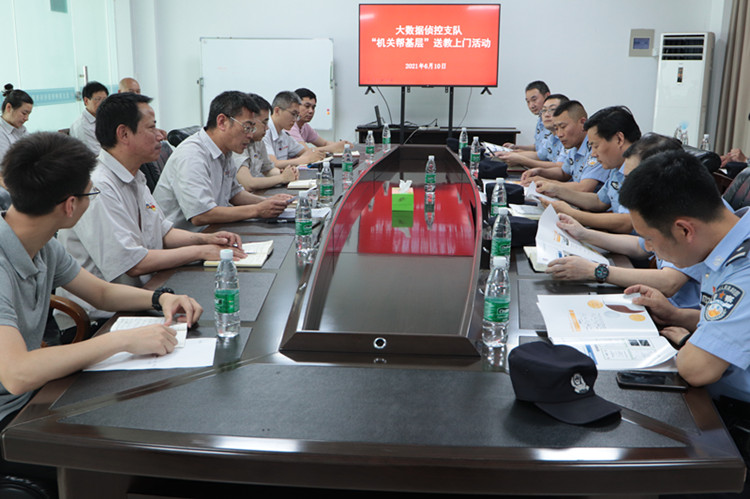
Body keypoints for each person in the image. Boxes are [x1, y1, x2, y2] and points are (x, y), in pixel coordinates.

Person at [0, 131, 202, 427]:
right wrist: (123, 340)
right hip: (10, 415)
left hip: (33, 395)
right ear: (70, 205)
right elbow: (16, 374)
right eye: (90, 194)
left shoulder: (43, 245)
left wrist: (161, 298)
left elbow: (102, 294)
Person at [58, 93, 244, 324]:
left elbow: (162, 233)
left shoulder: (135, 176)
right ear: (124, 134)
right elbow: (133, 264)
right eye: (151, 127)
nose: (160, 135)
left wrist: (206, 240)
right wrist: (201, 251)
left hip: (143, 295)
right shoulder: (98, 186)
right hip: (100, 318)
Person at [618, 149, 750, 403]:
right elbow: (732, 320)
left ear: (684, 230)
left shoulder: (743, 267)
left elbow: (696, 370)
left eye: (649, 238)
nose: (648, 248)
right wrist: (675, 315)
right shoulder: (729, 240)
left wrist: (690, 341)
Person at [154, 91, 292, 231]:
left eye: (252, 128)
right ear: (222, 122)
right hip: (186, 239)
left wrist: (269, 202)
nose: (250, 135)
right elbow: (201, 215)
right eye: (246, 127)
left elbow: (234, 194)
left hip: (213, 231)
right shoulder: (191, 155)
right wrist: (257, 210)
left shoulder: (225, 151)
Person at [536, 106, 642, 233]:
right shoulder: (617, 167)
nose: (593, 154)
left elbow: (626, 222)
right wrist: (557, 190)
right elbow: (598, 201)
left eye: (595, 146)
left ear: (619, 139)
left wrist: (572, 213)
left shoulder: (641, 170)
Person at [521, 100, 609, 192]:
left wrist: (545, 182)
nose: (559, 134)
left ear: (583, 123)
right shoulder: (574, 146)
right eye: (556, 128)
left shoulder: (595, 148)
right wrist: (540, 171)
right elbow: (564, 173)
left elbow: (584, 188)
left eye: (563, 127)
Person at [234, 93, 299, 191]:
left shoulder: (258, 141)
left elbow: (268, 170)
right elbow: (248, 183)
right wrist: (282, 178)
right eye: (264, 122)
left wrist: (286, 173)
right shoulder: (237, 142)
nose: (267, 127)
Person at [493, 93, 568, 170]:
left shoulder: (568, 137)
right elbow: (538, 155)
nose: (546, 114)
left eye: (552, 110)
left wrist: (521, 160)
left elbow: (560, 167)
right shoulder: (551, 137)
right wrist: (508, 154)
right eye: (544, 110)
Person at [263, 91, 325, 170]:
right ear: (277, 111)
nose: (295, 120)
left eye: (297, 116)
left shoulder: (283, 134)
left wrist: (315, 154)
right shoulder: (264, 132)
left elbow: (305, 152)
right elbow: (273, 163)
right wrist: (304, 159)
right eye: (293, 114)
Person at [0, 84, 33, 210]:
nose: (26, 118)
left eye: (29, 114)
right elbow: (4, 171)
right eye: (24, 113)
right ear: (9, 107)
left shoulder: (22, 130)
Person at [289, 88, 350, 153]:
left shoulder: (305, 126)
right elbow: (306, 152)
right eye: (307, 106)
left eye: (313, 107)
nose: (311, 111)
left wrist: (343, 145)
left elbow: (324, 143)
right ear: (295, 106)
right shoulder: (290, 126)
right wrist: (333, 148)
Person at [503, 80, 550, 152]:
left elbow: (544, 154)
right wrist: (516, 147)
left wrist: (518, 153)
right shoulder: (540, 120)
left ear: (547, 96)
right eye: (528, 101)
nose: (531, 106)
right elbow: (538, 147)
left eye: (534, 100)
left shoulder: (553, 120)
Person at [70, 81, 109, 154]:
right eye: (98, 99)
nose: (102, 103)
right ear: (86, 101)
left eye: (104, 99)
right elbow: (96, 155)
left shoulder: (104, 118)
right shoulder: (82, 126)